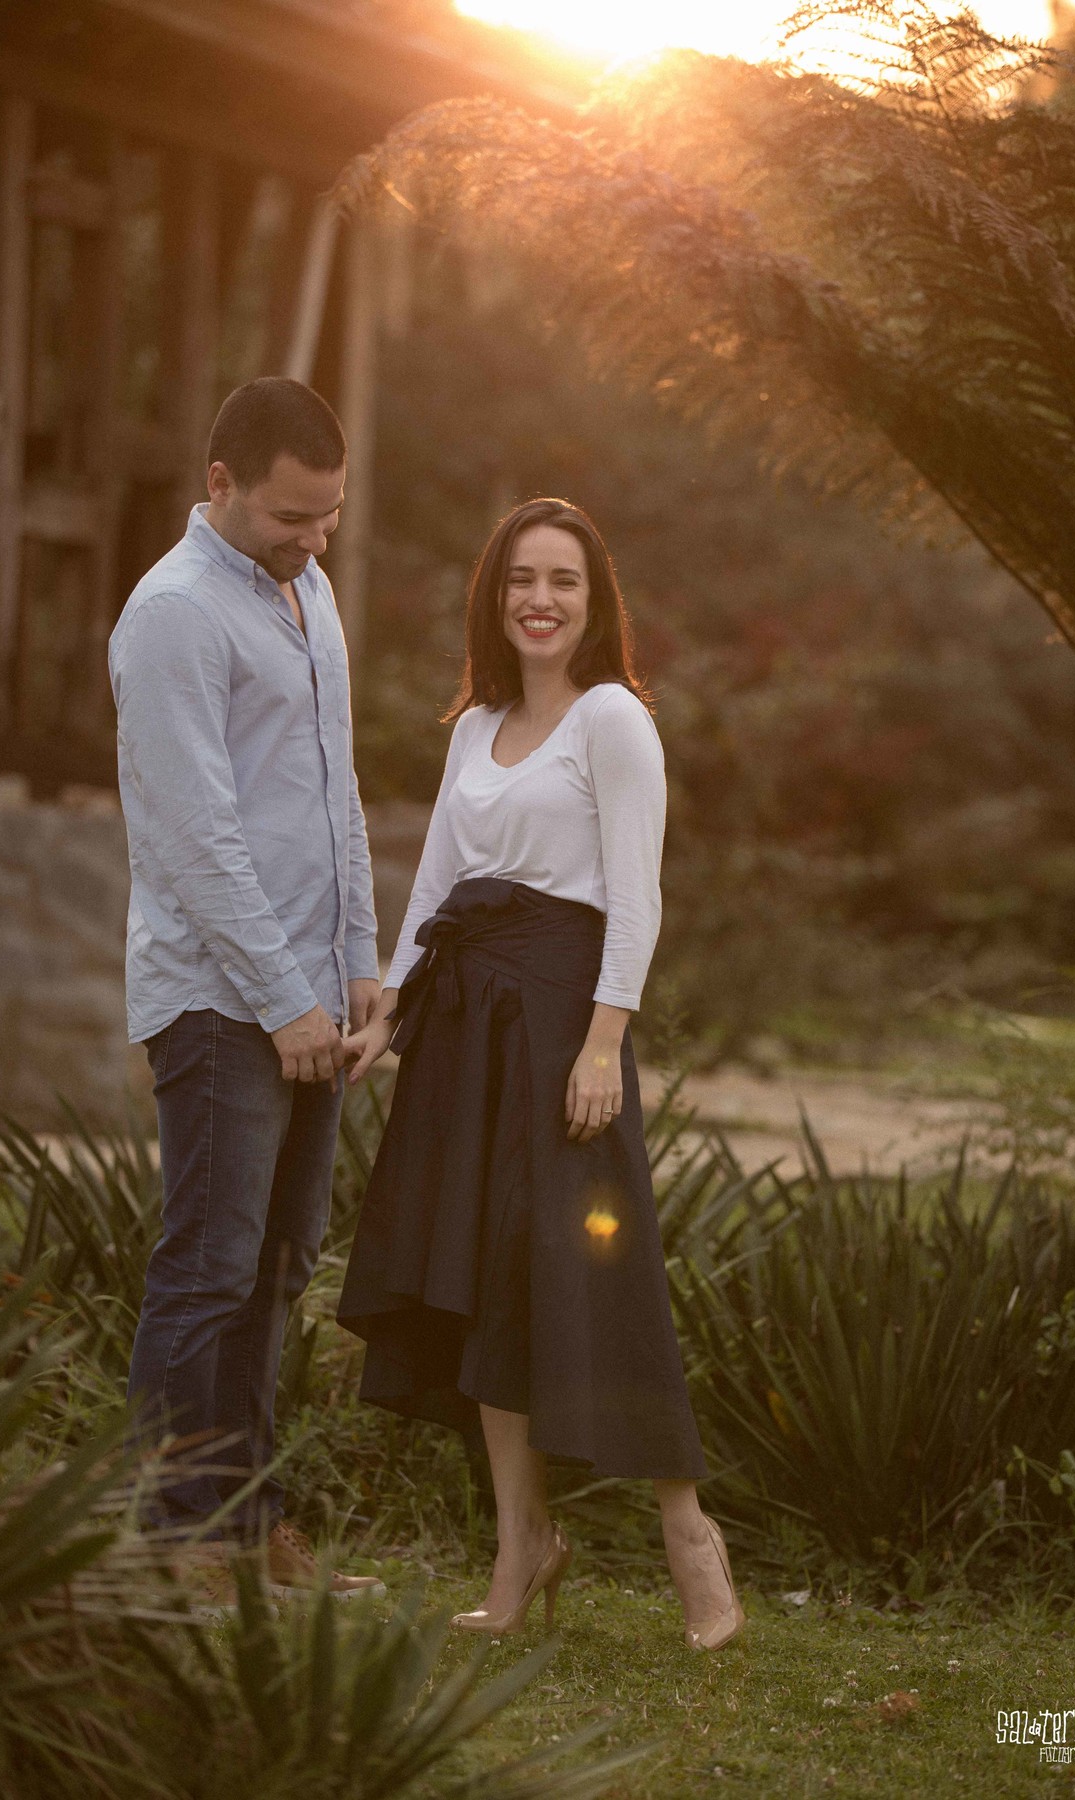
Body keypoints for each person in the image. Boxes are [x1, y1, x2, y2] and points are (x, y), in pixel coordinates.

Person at [338, 497, 743, 1650]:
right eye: (521, 577)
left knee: (596, 1272)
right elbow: (437, 891)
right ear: (495, 593)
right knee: (481, 1276)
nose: (540, 599)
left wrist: (605, 1041)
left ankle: (689, 1533)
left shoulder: (614, 719)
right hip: (465, 1025)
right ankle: (522, 1546)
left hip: (567, 1023)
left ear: (595, 600)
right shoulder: (477, 727)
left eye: (564, 579)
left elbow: (638, 890)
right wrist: (391, 1016)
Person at [109, 377, 383, 1598]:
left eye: (328, 517)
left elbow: (337, 794)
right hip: (225, 1008)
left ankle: (245, 1534)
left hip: (314, 998)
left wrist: (360, 961)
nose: (313, 540)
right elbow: (197, 838)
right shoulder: (170, 616)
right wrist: (286, 999)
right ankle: (172, 1552)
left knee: (277, 1268)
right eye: (290, 518)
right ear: (219, 484)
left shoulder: (309, 593)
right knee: (208, 1270)